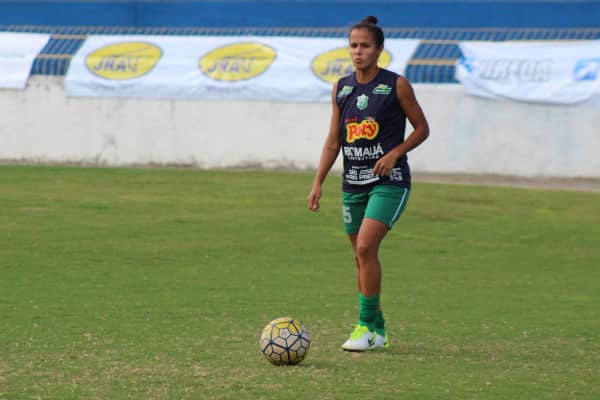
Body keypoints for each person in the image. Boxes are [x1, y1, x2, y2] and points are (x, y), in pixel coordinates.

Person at [307, 15, 429, 351]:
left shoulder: (396, 85)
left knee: (365, 247)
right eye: (353, 46)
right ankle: (378, 330)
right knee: (361, 256)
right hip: (352, 183)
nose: (357, 52)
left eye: (364, 46)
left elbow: (422, 128)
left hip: (389, 181)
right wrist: (318, 182)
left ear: (379, 50)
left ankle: (363, 327)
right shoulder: (341, 88)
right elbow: (334, 141)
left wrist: (395, 153)